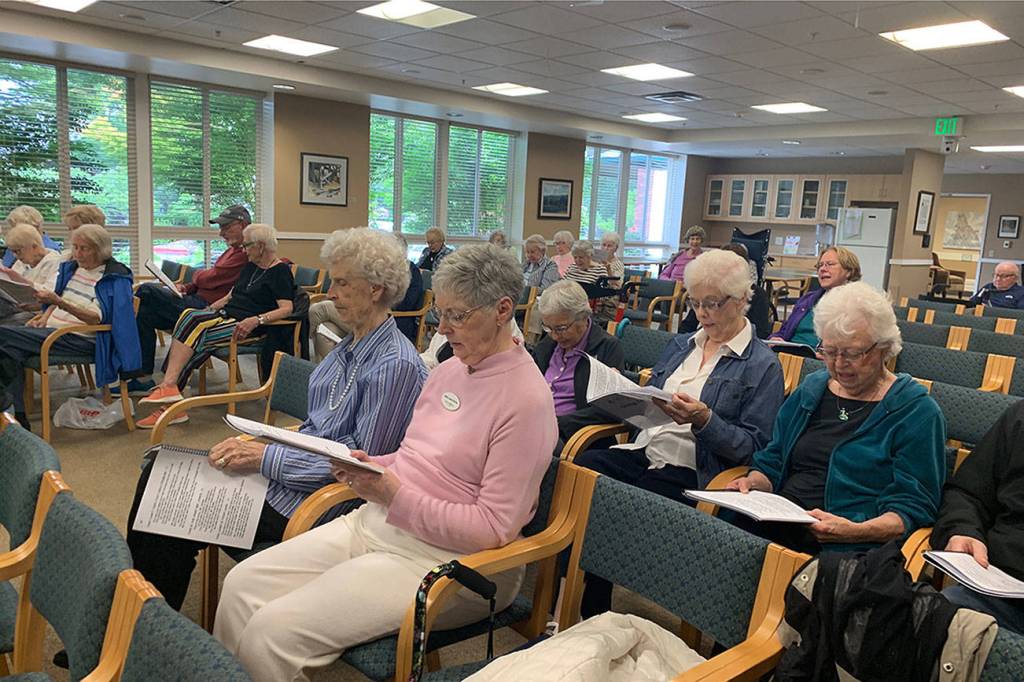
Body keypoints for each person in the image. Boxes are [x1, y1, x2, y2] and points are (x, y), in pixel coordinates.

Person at [213, 244, 558, 682]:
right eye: (440, 312)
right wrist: (372, 463)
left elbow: (493, 528)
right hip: (380, 522)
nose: (443, 328)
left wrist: (395, 495)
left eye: (457, 315)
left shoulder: (526, 402)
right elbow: (416, 455)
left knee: (272, 631)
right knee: (242, 584)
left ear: (502, 309)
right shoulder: (452, 369)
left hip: (452, 563)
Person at [126, 226, 428, 611]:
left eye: (342, 283)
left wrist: (262, 457)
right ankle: (134, 617)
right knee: (161, 474)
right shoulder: (349, 345)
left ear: (376, 289)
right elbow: (319, 429)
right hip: (286, 479)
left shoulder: (394, 366)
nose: (330, 293)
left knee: (168, 500)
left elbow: (359, 465)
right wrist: (262, 444)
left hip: (316, 504)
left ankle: (141, 627)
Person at [574, 248, 784, 617]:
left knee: (623, 502)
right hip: (646, 448)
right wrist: (626, 400)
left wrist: (704, 420)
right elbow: (650, 397)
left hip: (697, 469)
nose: (702, 313)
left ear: (741, 301)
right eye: (695, 302)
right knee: (584, 466)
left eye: (713, 303)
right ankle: (583, 593)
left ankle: (592, 606)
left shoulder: (762, 365)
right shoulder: (681, 344)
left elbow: (755, 447)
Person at [727, 282, 945, 555]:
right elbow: (773, 458)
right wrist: (755, 481)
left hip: (853, 544)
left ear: (884, 348)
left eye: (852, 353)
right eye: (829, 351)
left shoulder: (915, 411)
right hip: (781, 521)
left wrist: (854, 531)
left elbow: (912, 508)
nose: (839, 364)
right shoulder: (812, 390)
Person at [137, 224, 294, 421]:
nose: (243, 250)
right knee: (189, 317)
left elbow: (287, 308)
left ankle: (171, 400)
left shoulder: (280, 272)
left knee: (194, 335)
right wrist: (208, 310)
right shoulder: (250, 267)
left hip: (247, 327)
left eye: (247, 246)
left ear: (261, 246)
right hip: (227, 315)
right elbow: (230, 296)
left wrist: (257, 319)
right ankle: (170, 393)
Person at [0, 224, 141, 429]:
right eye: (75, 247)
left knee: (3, 336)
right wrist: (44, 315)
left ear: (100, 250)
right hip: (54, 331)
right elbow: (60, 299)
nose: (77, 254)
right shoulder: (75, 269)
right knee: (8, 351)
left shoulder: (112, 279)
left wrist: (58, 302)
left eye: (84, 249)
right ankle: (17, 418)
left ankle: (13, 417)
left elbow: (95, 319)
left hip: (81, 338)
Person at [127, 204, 251, 395]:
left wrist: (197, 277)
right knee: (144, 314)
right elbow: (205, 280)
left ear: (242, 225)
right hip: (194, 299)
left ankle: (118, 341)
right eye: (220, 228)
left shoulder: (244, 255)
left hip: (207, 310)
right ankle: (141, 376)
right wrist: (186, 287)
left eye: (226, 227)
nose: (221, 233)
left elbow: (209, 277)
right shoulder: (230, 251)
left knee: (146, 290)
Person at [931, 401, 1024, 634]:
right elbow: (969, 494)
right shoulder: (1019, 418)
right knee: (938, 619)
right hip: (1002, 593)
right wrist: (962, 529)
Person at [532, 280, 624, 443]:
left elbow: (608, 410)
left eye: (561, 328)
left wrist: (557, 423)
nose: (554, 336)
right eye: (548, 328)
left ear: (583, 317)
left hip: (573, 435)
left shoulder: (607, 348)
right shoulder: (547, 345)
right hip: (535, 424)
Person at [310, 233, 423, 360]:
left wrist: (384, 300)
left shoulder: (411, 272)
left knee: (320, 309)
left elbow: (407, 303)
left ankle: (298, 342)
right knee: (325, 330)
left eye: (342, 283)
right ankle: (334, 370)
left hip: (395, 320)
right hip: (372, 316)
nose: (330, 294)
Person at [769, 245, 861, 347]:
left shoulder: (855, 305)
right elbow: (784, 330)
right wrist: (775, 338)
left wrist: (827, 353)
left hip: (821, 359)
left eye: (830, 264)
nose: (822, 269)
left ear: (848, 271)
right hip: (789, 353)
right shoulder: (808, 299)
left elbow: (854, 347)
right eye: (820, 265)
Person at [680, 243, 772, 339]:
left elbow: (761, 332)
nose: (700, 314)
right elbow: (687, 325)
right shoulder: (707, 290)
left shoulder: (758, 294)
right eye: (695, 304)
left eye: (712, 304)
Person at [0, 224, 61, 325]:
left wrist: (24, 281)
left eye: (18, 251)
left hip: (36, 312)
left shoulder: (56, 262)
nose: (15, 256)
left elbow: (51, 294)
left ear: (34, 246)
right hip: (15, 306)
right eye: (13, 252)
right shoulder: (22, 262)